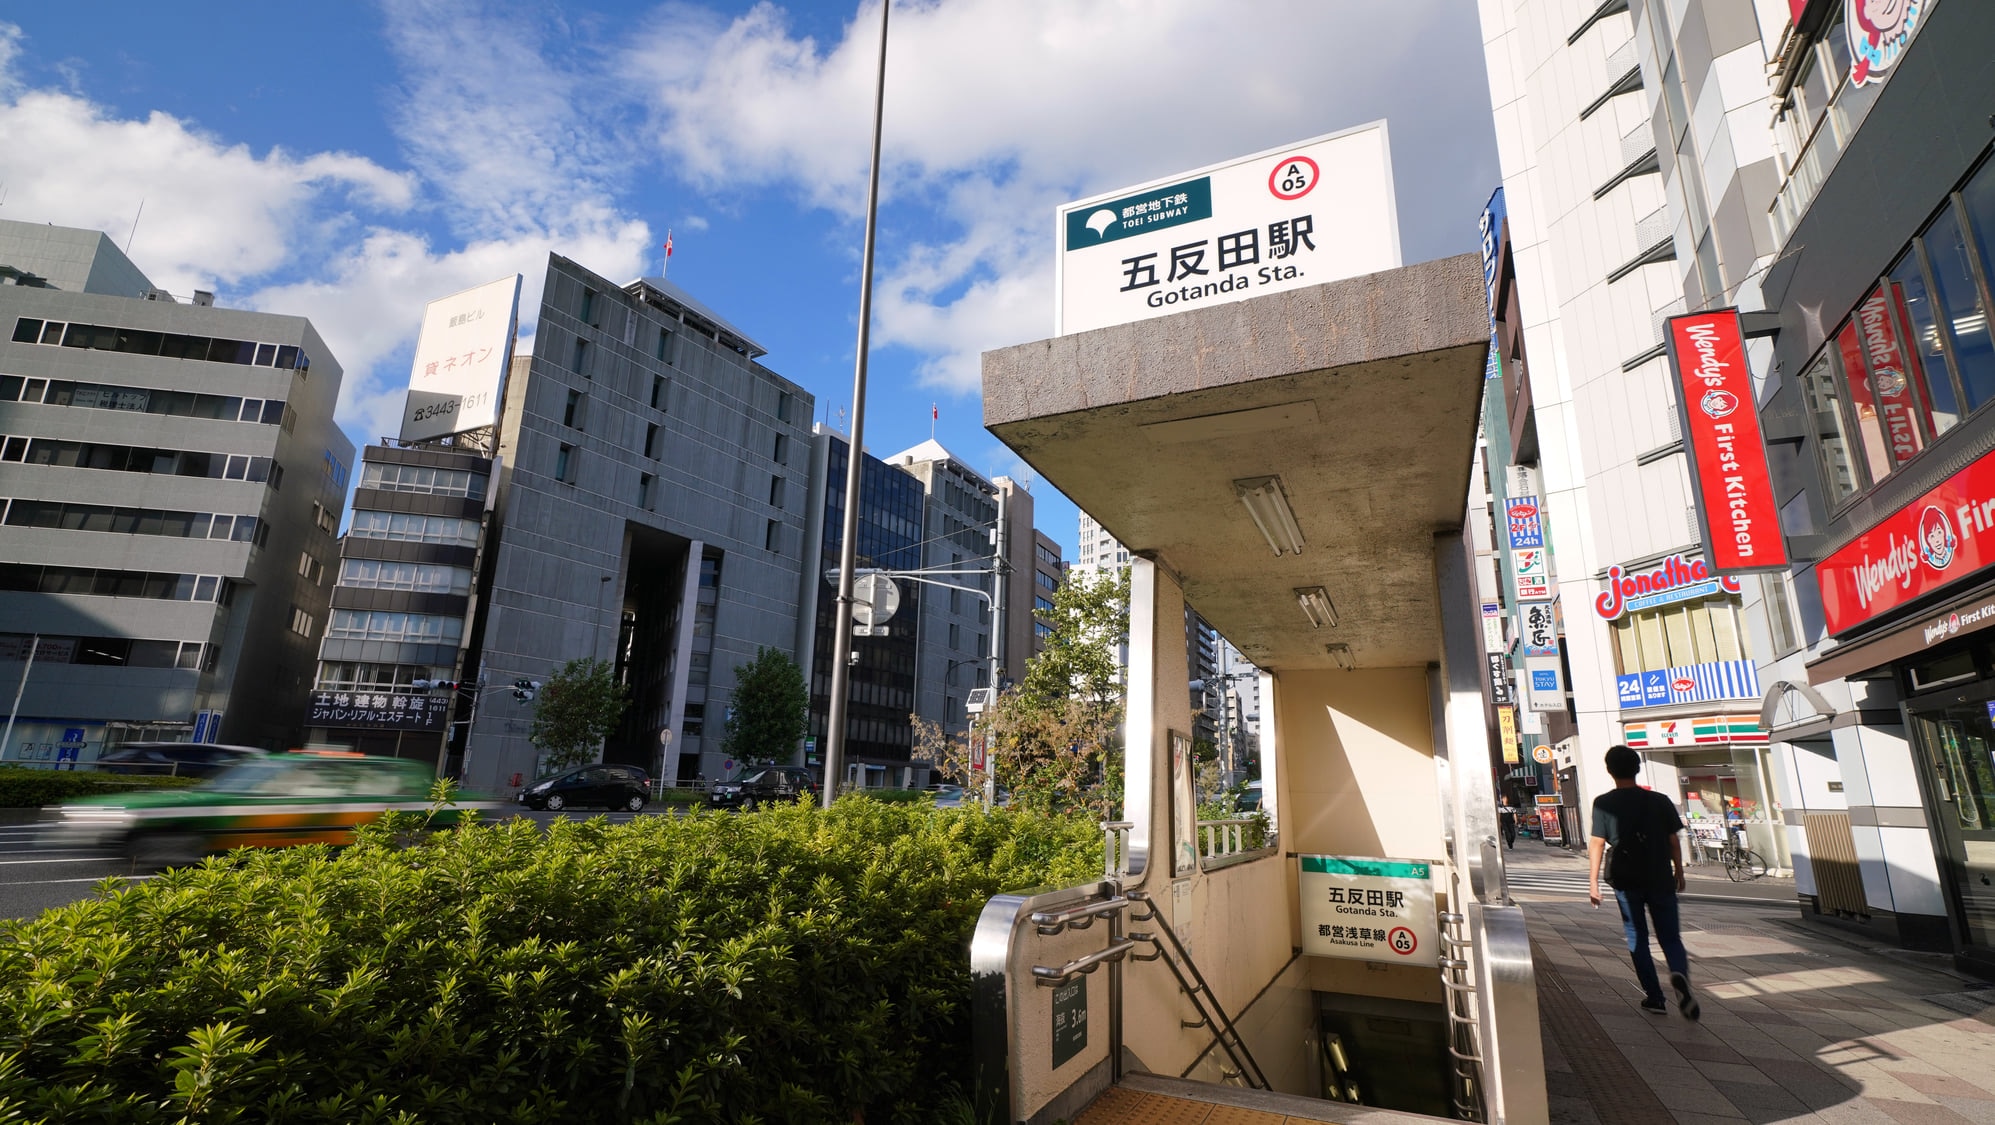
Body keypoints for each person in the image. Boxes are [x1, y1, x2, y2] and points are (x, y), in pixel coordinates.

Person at [1587, 744, 1699, 1019]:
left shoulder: (1604, 803)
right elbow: (1673, 840)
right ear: (1637, 768)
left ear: (1610, 771)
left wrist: (1593, 883)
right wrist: (1679, 871)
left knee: (1637, 937)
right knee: (1670, 937)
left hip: (1626, 879)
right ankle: (1678, 973)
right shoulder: (1660, 801)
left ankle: (1655, 997)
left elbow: (1597, 843)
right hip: (1659, 876)